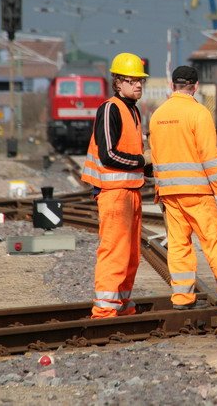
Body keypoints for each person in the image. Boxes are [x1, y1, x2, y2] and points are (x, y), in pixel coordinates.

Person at [148, 66, 217, 310]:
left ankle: (182, 297)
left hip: (169, 195)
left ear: (172, 86)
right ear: (195, 87)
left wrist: (160, 191)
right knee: (213, 242)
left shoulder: (157, 115)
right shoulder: (199, 113)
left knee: (178, 245)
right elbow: (210, 159)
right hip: (197, 193)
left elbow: (155, 156)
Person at [82, 52, 151, 318]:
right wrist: (141, 161)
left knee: (131, 254)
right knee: (114, 252)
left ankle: (121, 304)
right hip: (114, 194)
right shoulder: (111, 108)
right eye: (132, 80)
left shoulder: (132, 110)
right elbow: (108, 155)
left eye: (140, 81)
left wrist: (150, 168)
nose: (138, 85)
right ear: (117, 82)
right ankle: (104, 310)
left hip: (130, 192)